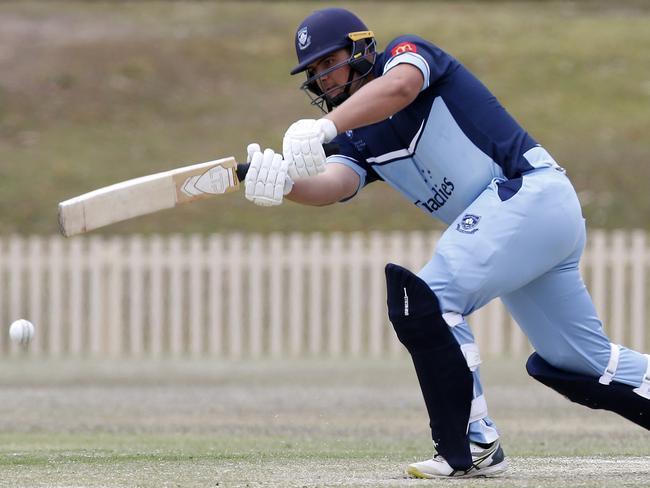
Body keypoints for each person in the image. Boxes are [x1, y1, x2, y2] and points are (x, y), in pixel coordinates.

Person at [243, 7, 650, 479]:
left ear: (360, 49)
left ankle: (474, 443)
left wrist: (324, 128)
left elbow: (400, 89)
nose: (323, 79)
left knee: (431, 299)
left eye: (328, 62)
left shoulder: (406, 54)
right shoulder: (354, 135)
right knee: (579, 362)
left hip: (529, 195)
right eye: (313, 73)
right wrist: (281, 185)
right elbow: (334, 185)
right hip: (521, 225)